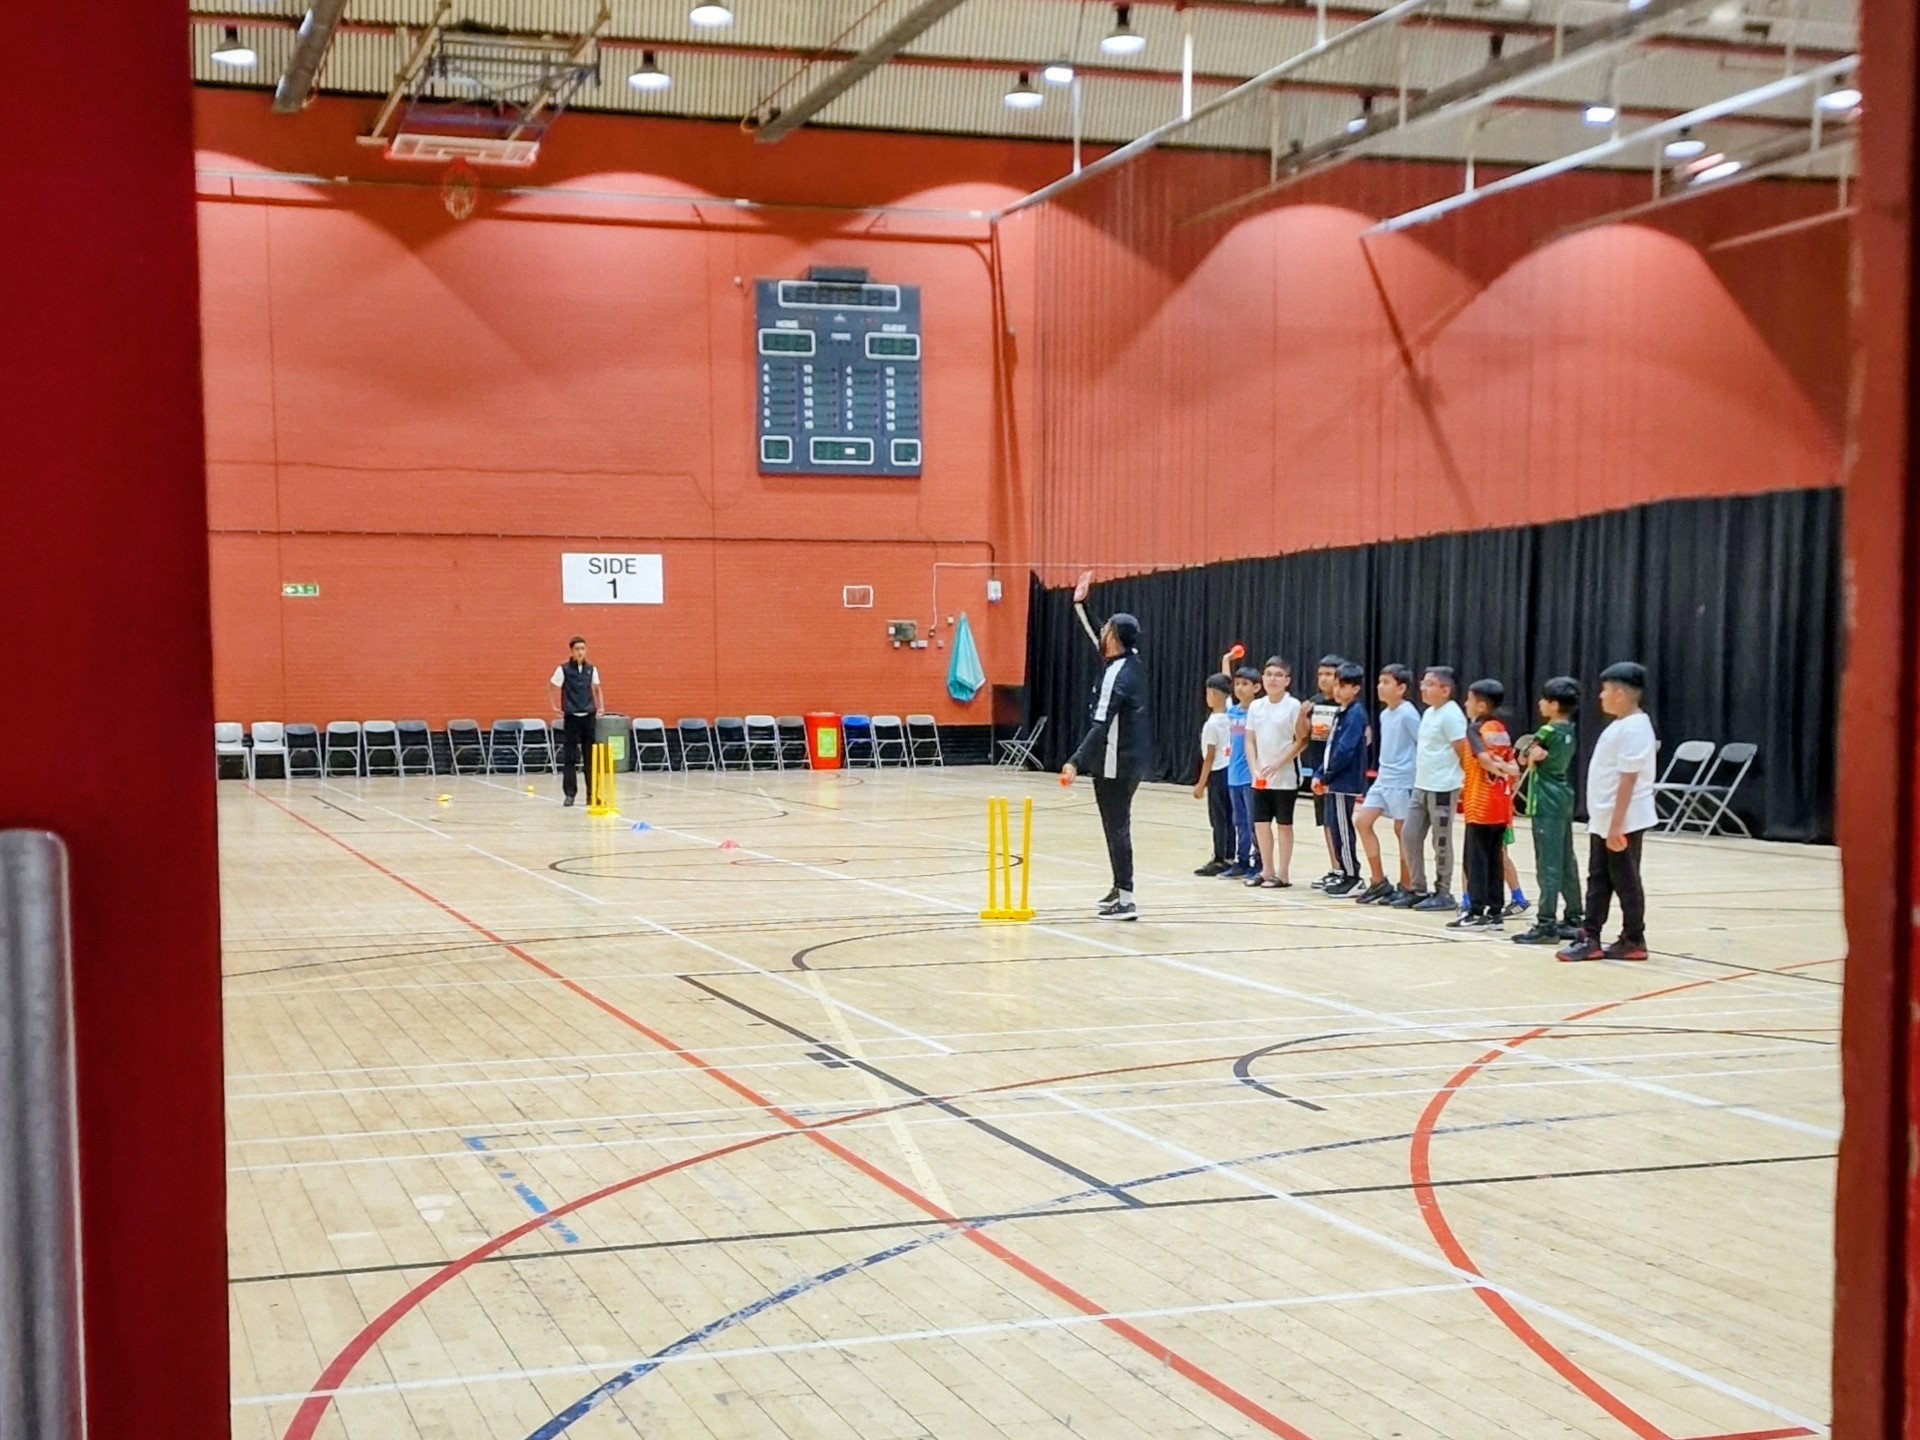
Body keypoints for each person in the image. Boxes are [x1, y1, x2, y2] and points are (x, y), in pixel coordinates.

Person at [1062, 571, 1152, 921]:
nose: (1102, 632)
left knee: (1117, 826)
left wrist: (1074, 761)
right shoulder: (1126, 661)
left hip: (1117, 760)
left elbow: (1102, 724)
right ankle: (1120, 885)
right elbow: (1094, 634)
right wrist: (1081, 603)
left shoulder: (1118, 674)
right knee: (1114, 825)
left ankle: (1127, 899)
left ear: (1115, 637)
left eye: (1107, 629)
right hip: (1127, 758)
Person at [1559, 662, 1659, 962]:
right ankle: (1590, 936)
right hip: (1606, 818)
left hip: (1623, 819)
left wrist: (1617, 825)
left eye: (1605, 690)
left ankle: (1633, 938)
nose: (1601, 697)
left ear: (1619, 693)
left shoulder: (1636, 727)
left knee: (1625, 880)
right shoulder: (1620, 725)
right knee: (1599, 878)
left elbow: (1628, 779)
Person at [1512, 676, 1584, 945]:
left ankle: (1546, 924)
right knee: (1567, 860)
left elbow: (1525, 758)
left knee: (1548, 863)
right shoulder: (1570, 730)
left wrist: (1528, 752)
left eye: (1544, 700)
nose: (1540, 704)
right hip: (1564, 795)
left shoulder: (1547, 732)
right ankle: (1575, 917)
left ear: (1554, 704)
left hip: (1545, 799)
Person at [1395, 666, 1471, 910]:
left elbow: (1463, 751)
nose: (1423, 688)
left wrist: (1465, 781)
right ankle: (1418, 888)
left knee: (1440, 841)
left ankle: (1443, 892)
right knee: (1409, 834)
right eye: (1423, 683)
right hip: (1422, 784)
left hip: (1442, 787)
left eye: (1429, 684)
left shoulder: (1451, 715)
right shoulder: (1429, 712)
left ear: (1445, 689)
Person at [1449, 679, 1518, 932]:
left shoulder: (1475, 729)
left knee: (1475, 861)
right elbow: (1514, 767)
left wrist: (1495, 768)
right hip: (1501, 805)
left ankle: (1476, 912)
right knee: (1494, 860)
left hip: (1480, 805)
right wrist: (1505, 771)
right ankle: (1495, 913)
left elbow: (1484, 759)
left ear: (1480, 704)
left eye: (1469, 699)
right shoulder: (1500, 729)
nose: (1465, 704)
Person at [1354, 664, 1419, 905]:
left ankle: (1407, 885)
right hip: (1384, 778)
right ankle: (1379, 881)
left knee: (1402, 832)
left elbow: (1422, 742)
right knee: (1362, 821)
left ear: (1401, 688)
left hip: (1403, 781)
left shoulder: (1408, 713)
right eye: (1379, 681)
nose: (1380, 687)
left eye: (1386, 682)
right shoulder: (1385, 714)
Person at [1243, 656, 1303, 888]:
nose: (1273, 679)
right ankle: (1266, 870)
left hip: (1285, 777)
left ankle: (1283, 873)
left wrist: (1279, 763)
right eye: (1269, 674)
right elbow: (1249, 740)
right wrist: (1254, 768)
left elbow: (1301, 740)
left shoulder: (1294, 706)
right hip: (1260, 777)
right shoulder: (1256, 706)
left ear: (1287, 680)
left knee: (1284, 824)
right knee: (1260, 823)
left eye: (1279, 675)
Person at [1312, 661, 1370, 897]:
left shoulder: (1356, 714)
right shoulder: (1340, 712)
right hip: (1333, 780)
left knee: (1343, 829)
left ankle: (1352, 876)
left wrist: (1327, 776)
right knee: (1334, 827)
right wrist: (1319, 773)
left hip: (1344, 782)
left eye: (1342, 686)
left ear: (1355, 689)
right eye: (1335, 685)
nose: (1336, 690)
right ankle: (1344, 873)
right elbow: (1329, 748)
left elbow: (1344, 750)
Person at [1296, 655, 1347, 888]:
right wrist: (1301, 716)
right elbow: (1302, 736)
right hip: (1318, 771)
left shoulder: (1346, 706)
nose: (1324, 679)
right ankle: (1335, 868)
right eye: (1321, 674)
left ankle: (1347, 870)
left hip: (1338, 774)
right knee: (1326, 822)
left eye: (1329, 674)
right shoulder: (1313, 703)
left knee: (1340, 822)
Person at [549, 636, 604, 808]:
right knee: (570, 758)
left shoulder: (591, 669)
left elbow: (597, 688)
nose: (580, 652)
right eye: (577, 649)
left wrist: (601, 706)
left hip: (588, 718)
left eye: (583, 648)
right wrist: (555, 707)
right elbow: (551, 687)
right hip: (571, 718)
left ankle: (592, 795)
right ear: (571, 651)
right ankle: (570, 795)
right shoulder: (563, 669)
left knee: (591, 759)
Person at [1221, 666, 1263, 879]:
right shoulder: (1232, 711)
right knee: (1239, 821)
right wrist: (1227, 660)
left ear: (1257, 687)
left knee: (1253, 821)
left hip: (1250, 776)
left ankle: (1260, 861)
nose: (1239, 688)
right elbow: (1225, 683)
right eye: (1237, 684)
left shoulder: (1258, 712)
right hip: (1233, 775)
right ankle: (1242, 860)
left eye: (1245, 684)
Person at [1192, 674, 1235, 876]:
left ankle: (1219, 858)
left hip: (1218, 772)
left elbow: (1209, 756)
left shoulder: (1212, 724)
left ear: (1213, 695)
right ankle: (1230, 855)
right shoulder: (1232, 715)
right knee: (1230, 816)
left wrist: (1201, 784)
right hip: (1232, 771)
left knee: (1218, 818)